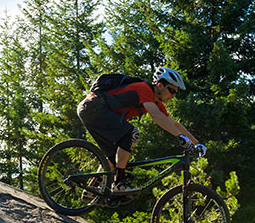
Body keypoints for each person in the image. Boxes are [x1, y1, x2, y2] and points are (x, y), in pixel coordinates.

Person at [77, 66, 206, 193]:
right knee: (132, 134)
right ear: (160, 85)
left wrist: (196, 142)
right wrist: (180, 137)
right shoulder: (144, 89)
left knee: (114, 159)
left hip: (93, 111)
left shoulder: (155, 102)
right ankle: (119, 184)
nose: (173, 95)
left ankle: (91, 190)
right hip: (93, 107)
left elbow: (173, 123)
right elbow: (156, 116)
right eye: (172, 90)